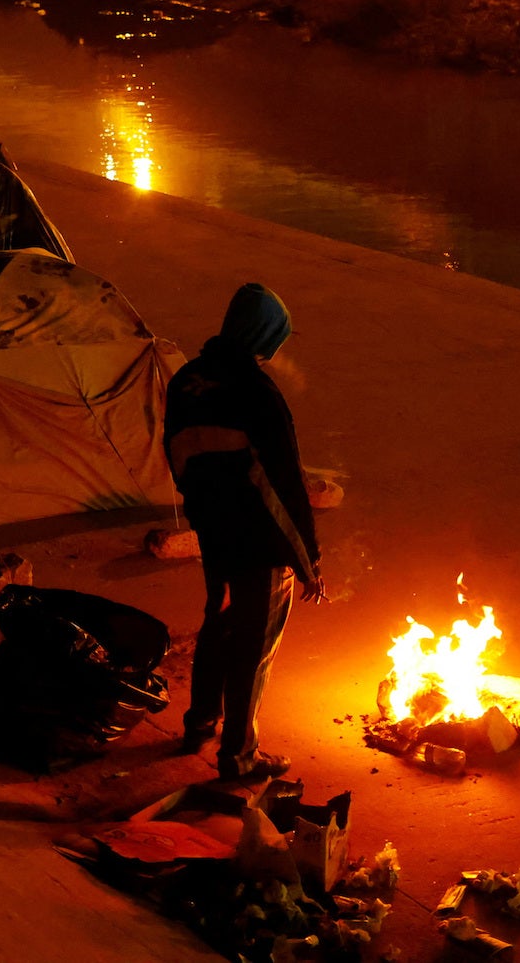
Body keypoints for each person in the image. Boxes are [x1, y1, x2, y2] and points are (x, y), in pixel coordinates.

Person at [165, 282, 323, 783]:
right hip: (259, 543)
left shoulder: (187, 380)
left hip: (214, 532)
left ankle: (198, 724)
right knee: (254, 648)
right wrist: (308, 560)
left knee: (220, 622)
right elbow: (283, 486)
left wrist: (202, 512)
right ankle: (240, 755)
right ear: (263, 334)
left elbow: (177, 455)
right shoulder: (258, 394)